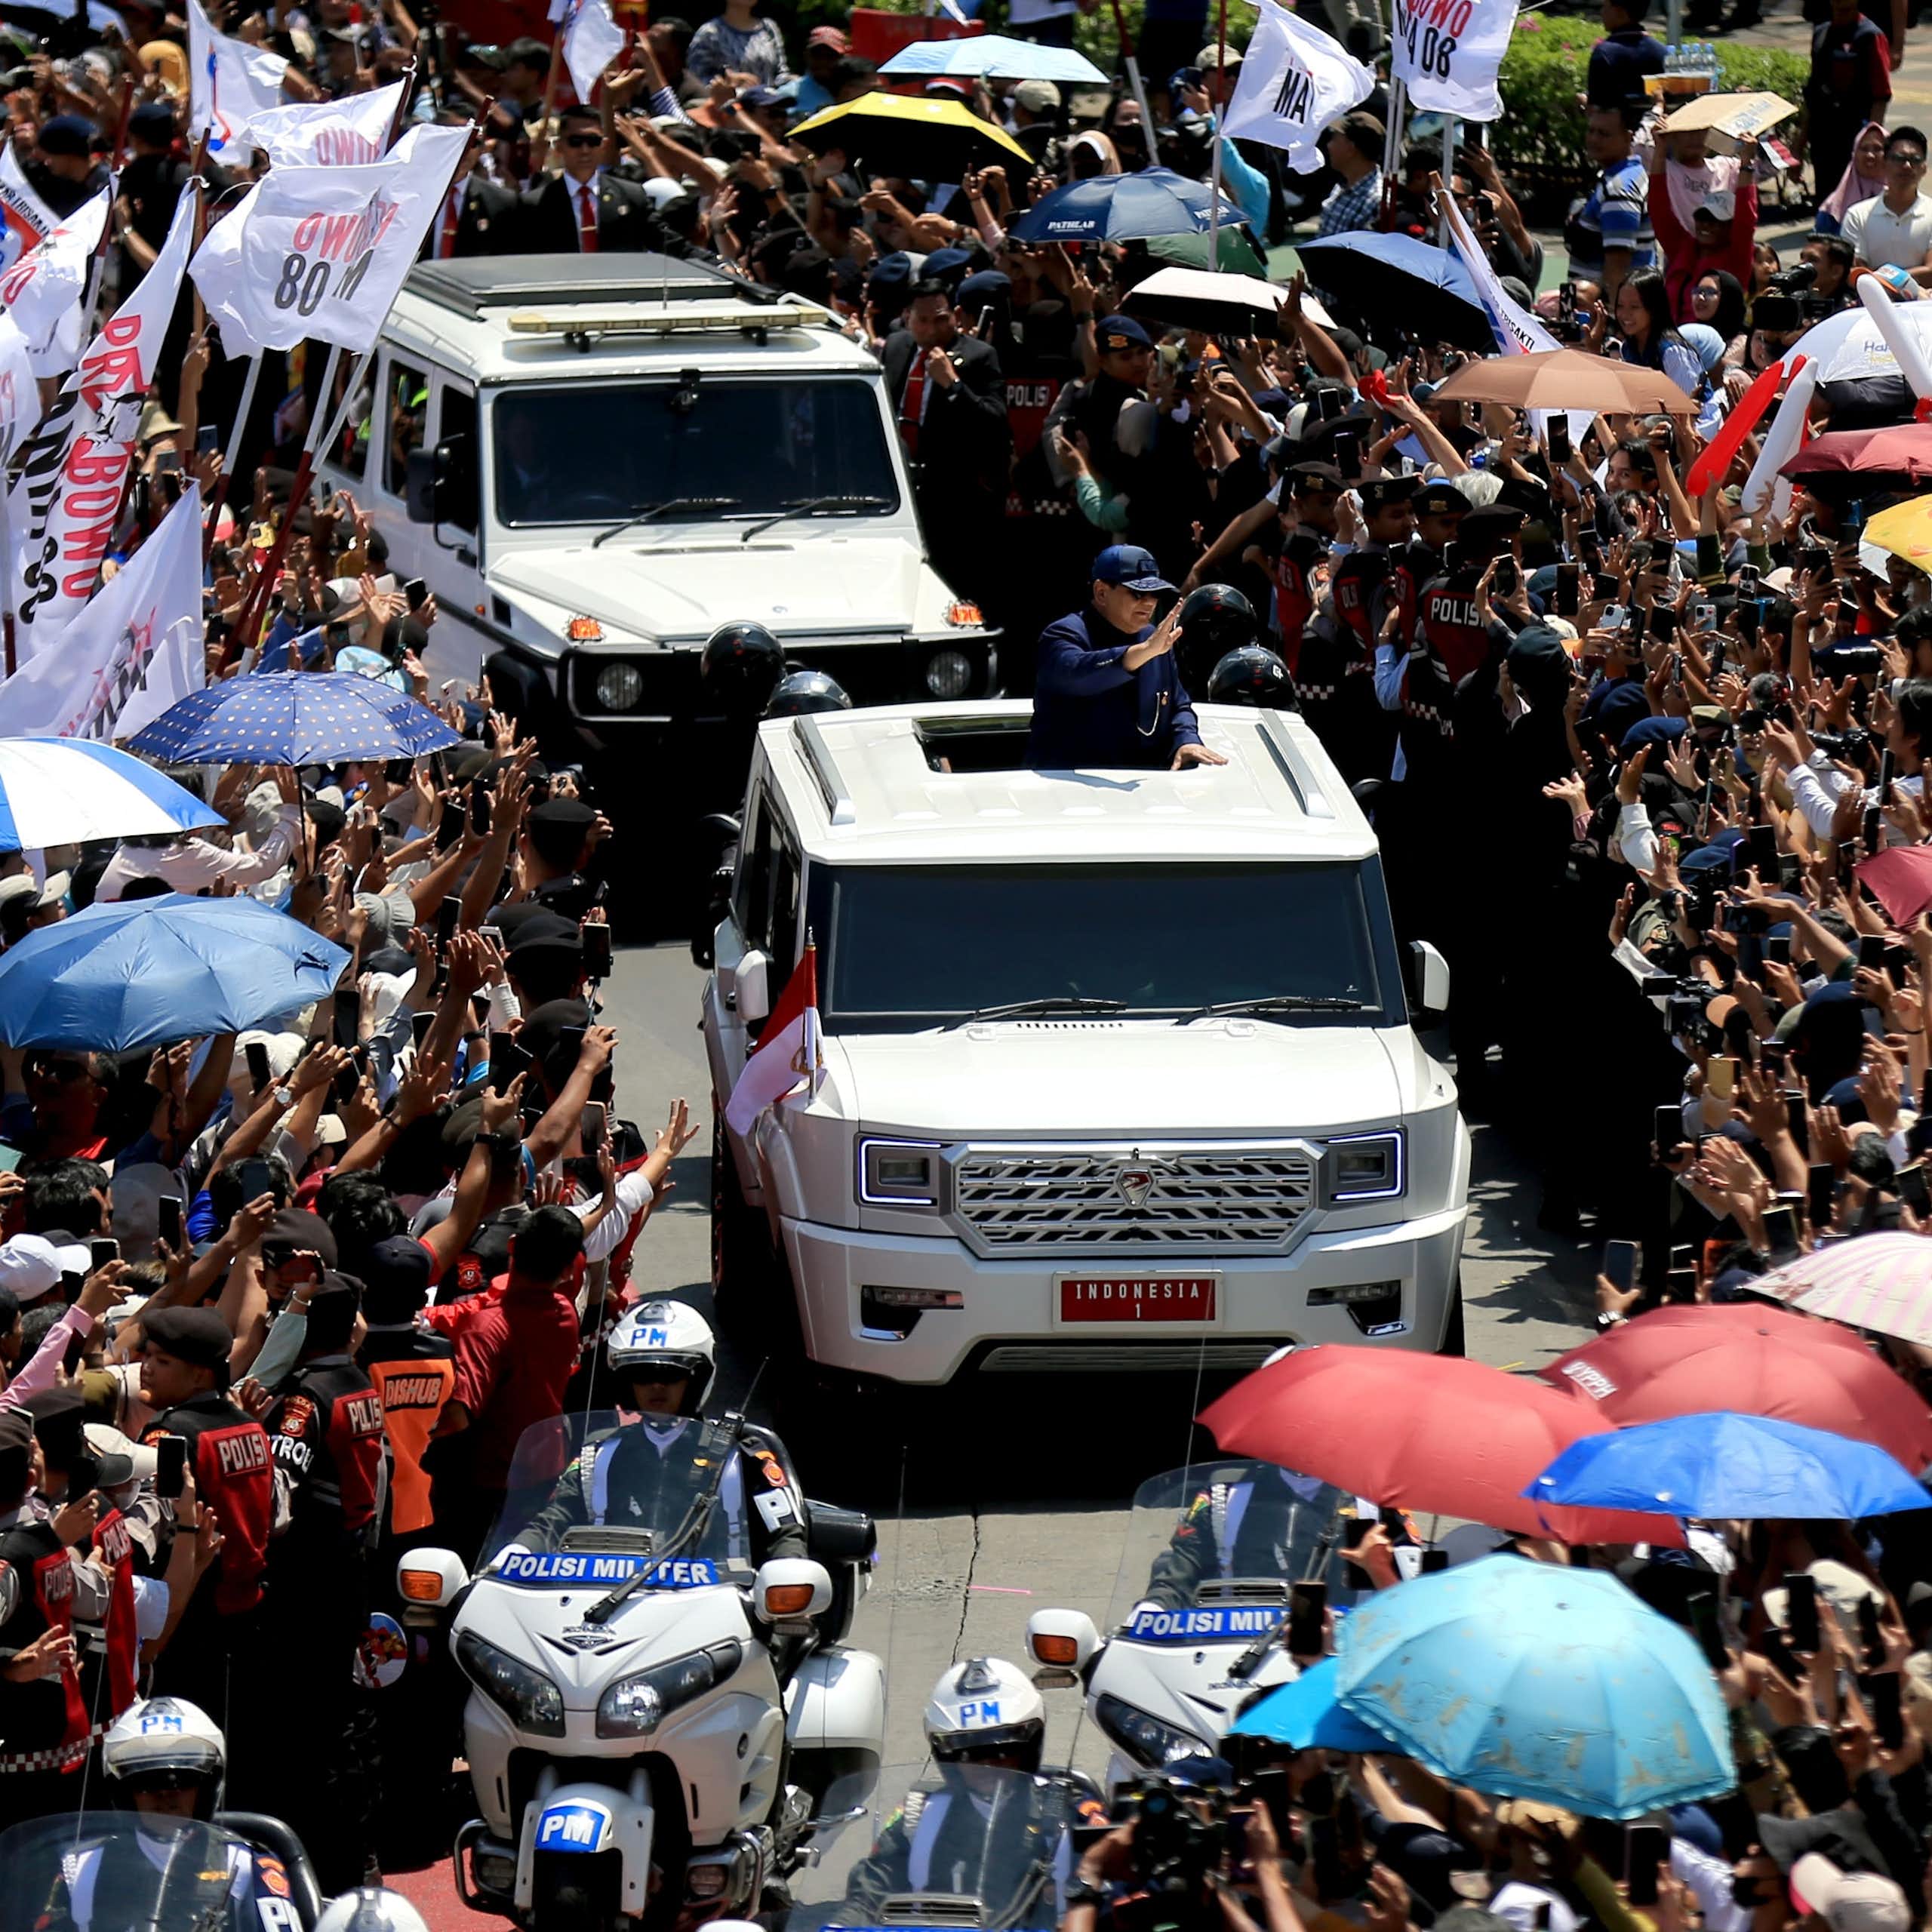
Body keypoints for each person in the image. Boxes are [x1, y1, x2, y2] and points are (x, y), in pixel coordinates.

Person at [517, 1301, 806, 1565]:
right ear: (625, 1383)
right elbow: (554, 1520)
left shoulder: (741, 1454)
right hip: (608, 1603)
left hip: (718, 1604)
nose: (656, 1386)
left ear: (697, 1378)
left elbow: (785, 1532)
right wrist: (518, 1552)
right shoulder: (599, 1454)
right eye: (642, 1375)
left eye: (670, 1374)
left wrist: (788, 1570)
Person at [846, 1659, 1084, 1922]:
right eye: (968, 1753)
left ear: (1029, 1746)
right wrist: (843, 1925)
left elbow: (1113, 1897)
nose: (986, 1764)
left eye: (1001, 1751)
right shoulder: (919, 1819)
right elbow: (869, 1891)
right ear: (946, 1755)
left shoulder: (1072, 1814)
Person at [1028, 547, 1230, 772]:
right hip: (1069, 791)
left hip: (1144, 790)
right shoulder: (1063, 635)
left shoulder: (1153, 639)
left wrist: (1187, 740)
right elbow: (1078, 673)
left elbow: (1177, 705)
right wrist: (1142, 652)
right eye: (1138, 593)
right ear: (1102, 593)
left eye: (1155, 594)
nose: (1149, 603)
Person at [879, 279, 1011, 601]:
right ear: (908, 318)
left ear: (954, 315)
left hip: (953, 495)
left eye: (941, 318)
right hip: (900, 487)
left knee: (952, 585)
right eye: (922, 321)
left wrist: (953, 386)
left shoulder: (980, 356)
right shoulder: (896, 347)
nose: (932, 329)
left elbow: (995, 421)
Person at [1567, 103, 1655, 304]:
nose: (1594, 139)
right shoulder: (1621, 176)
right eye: (1591, 131)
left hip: (1600, 313)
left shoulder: (1620, 190)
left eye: (1604, 134)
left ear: (1629, 136)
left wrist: (1614, 321)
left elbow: (1617, 268)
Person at [1840, 125, 1932, 278]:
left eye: (1915, 160)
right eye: (1899, 159)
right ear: (1884, 163)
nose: (1907, 166)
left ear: (1924, 168)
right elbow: (1855, 273)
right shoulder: (1858, 215)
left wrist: (1876, 277)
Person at [1586, 0, 1664, 109]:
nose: (1602, 12)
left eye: (1605, 6)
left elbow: (1597, 106)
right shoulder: (1661, 51)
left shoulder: (1604, 53)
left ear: (1620, 12)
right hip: (1656, 123)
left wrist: (1585, 102)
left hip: (1616, 125)